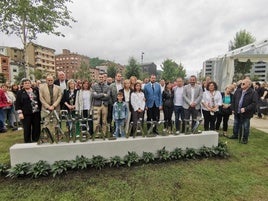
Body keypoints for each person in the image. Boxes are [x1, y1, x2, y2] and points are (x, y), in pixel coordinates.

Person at [229, 78, 258, 144]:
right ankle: (235, 135)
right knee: (236, 124)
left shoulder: (253, 92)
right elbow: (233, 100)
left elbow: (254, 103)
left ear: (249, 84)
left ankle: (245, 139)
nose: (242, 84)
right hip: (237, 112)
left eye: (244, 83)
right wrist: (233, 109)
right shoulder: (238, 91)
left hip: (246, 113)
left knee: (245, 126)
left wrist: (245, 109)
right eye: (241, 83)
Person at [15, 78, 41, 143]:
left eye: (28, 83)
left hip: (36, 112)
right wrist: (20, 113)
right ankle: (27, 141)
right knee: (27, 128)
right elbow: (17, 104)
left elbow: (39, 100)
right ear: (23, 85)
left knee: (37, 127)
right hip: (26, 113)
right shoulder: (20, 92)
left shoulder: (35, 90)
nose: (27, 84)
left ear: (30, 84)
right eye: (25, 83)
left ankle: (36, 140)